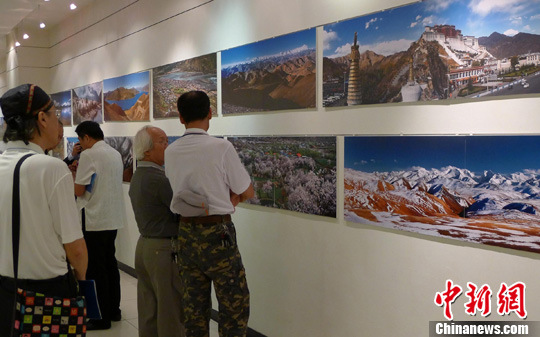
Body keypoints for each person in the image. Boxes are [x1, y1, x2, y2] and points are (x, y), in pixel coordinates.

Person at [164, 91, 255, 337]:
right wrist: (234, 197)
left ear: (180, 118)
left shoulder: (170, 152)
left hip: (185, 235)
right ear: (210, 114)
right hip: (218, 235)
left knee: (194, 308)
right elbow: (246, 189)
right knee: (234, 306)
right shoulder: (221, 147)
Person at [0, 84, 88, 336]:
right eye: (55, 114)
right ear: (41, 118)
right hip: (48, 292)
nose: (58, 122)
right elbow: (76, 249)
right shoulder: (52, 169)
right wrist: (81, 280)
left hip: (5, 287)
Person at [129, 126, 185, 337]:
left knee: (149, 310)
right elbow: (181, 210)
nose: (167, 145)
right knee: (170, 310)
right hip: (162, 250)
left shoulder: (140, 175)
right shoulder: (158, 179)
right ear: (147, 151)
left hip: (145, 246)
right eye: (163, 141)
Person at [74, 120, 126, 330]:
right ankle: (114, 310)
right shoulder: (114, 153)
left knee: (96, 269)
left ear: (86, 137)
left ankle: (100, 318)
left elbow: (79, 191)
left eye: (80, 140)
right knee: (110, 265)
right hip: (112, 217)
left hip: (94, 218)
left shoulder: (88, 155)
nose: (81, 144)